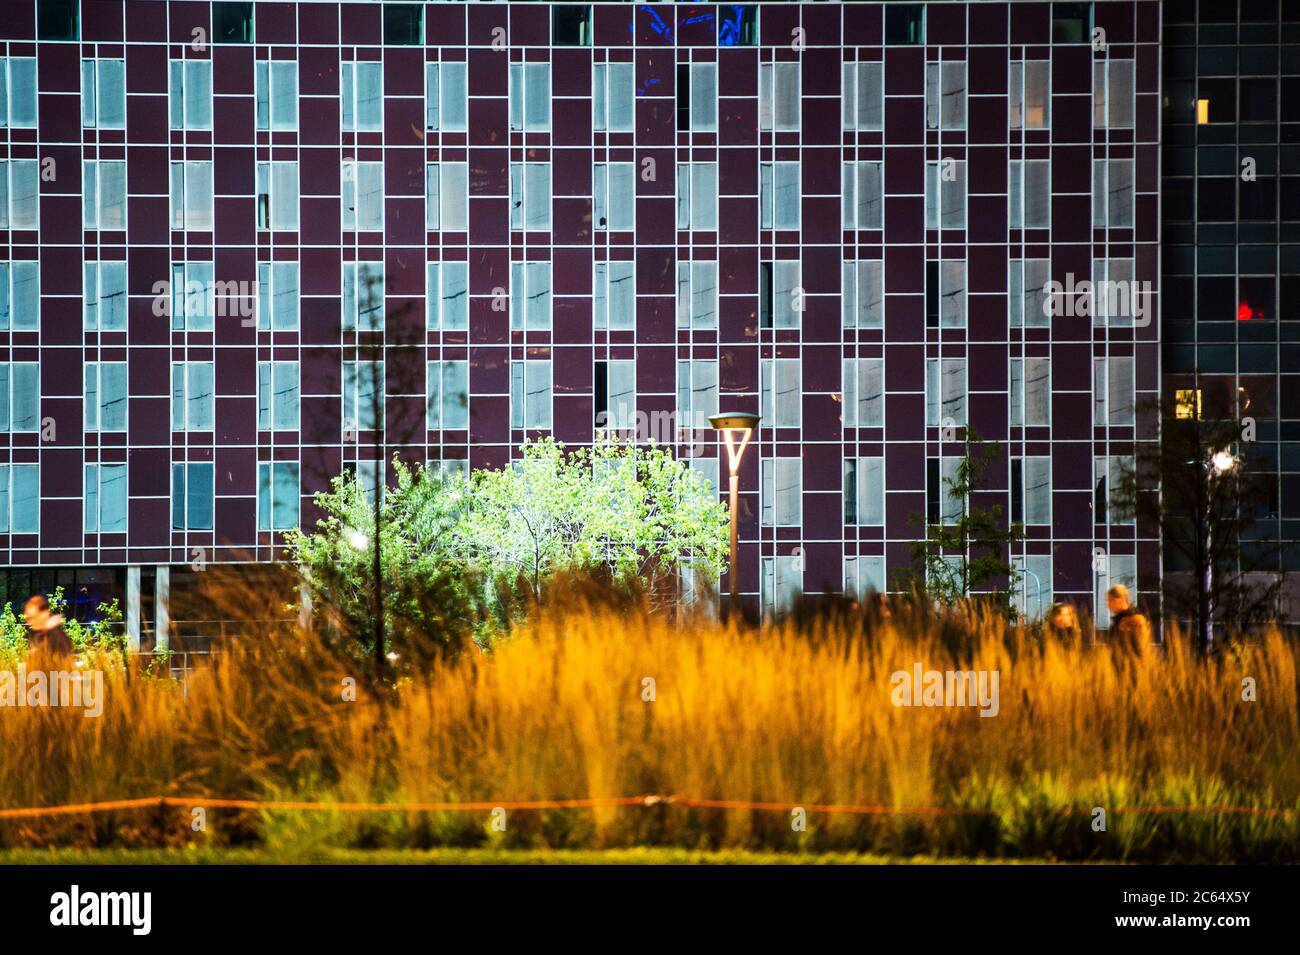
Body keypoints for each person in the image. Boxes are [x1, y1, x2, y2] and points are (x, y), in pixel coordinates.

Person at [23, 594, 74, 665]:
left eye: (33, 617)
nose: (29, 622)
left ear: (45, 614)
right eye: (28, 618)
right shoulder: (40, 634)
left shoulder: (57, 637)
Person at [1106, 584, 1151, 650]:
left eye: (1110, 600)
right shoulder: (1118, 621)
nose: (1108, 605)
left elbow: (1141, 648)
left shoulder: (1135, 620)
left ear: (1118, 600)